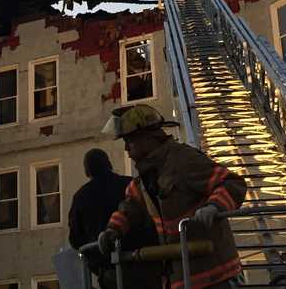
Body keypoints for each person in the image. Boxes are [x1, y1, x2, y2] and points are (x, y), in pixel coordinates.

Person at [98, 105, 247, 289]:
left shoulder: (183, 160)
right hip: (181, 277)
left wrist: (214, 207)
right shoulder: (146, 176)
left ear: (148, 137)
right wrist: (112, 230)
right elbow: (130, 207)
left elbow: (231, 183)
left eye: (130, 141)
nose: (127, 149)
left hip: (215, 275)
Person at [68, 149, 160, 288]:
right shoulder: (129, 185)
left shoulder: (81, 197)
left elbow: (75, 239)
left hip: (109, 267)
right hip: (144, 261)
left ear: (87, 170)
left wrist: (95, 255)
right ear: (108, 164)